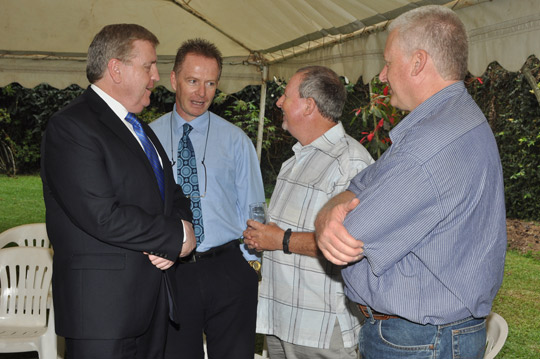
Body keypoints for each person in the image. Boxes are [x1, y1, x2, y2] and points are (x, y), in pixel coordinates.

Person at [314, 5, 507, 359]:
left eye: (389, 62)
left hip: (418, 342)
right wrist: (330, 210)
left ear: (418, 62)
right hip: (438, 334)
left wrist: (327, 217)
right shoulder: (452, 121)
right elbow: (363, 181)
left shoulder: (430, 147)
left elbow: (349, 237)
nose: (383, 75)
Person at [40, 24, 196, 359]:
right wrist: (174, 235)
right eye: (148, 66)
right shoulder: (72, 126)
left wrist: (184, 230)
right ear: (116, 68)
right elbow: (100, 214)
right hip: (102, 314)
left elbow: (174, 195)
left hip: (151, 306)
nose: (156, 76)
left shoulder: (140, 129)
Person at [243, 66, 374, 359]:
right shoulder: (297, 158)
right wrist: (264, 237)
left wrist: (281, 240)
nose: (278, 102)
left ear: (308, 105)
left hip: (319, 327)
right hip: (281, 319)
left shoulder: (350, 163)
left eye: (286, 96)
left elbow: (352, 243)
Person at [149, 38, 265, 359]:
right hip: (171, 271)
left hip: (228, 269)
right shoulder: (147, 139)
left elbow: (255, 209)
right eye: (193, 81)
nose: (201, 93)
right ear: (174, 80)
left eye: (211, 83)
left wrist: (250, 267)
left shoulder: (236, 141)